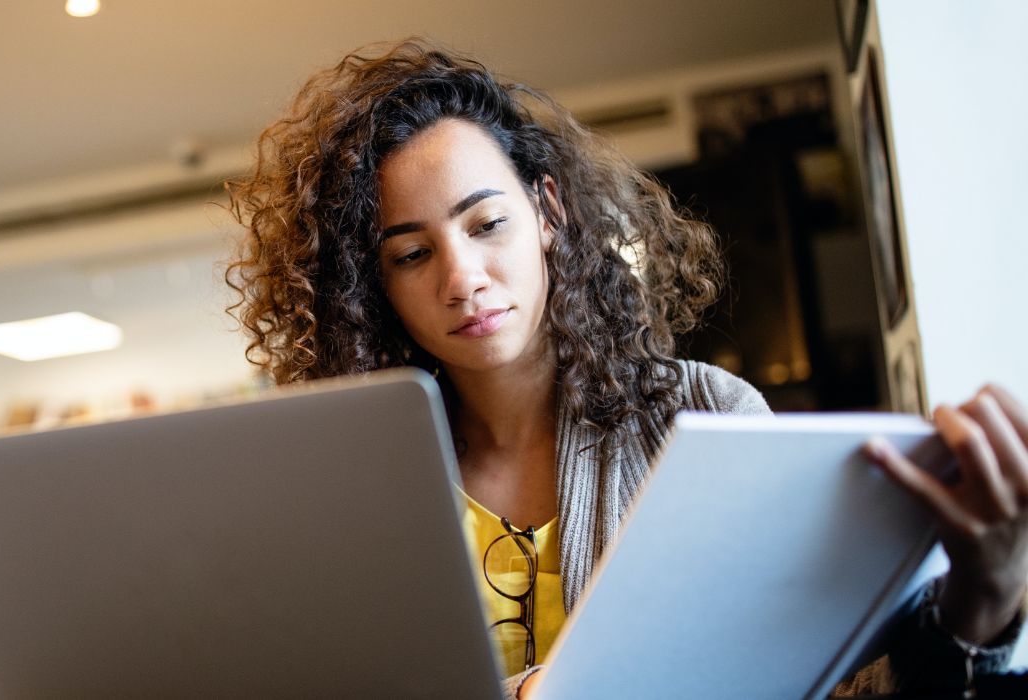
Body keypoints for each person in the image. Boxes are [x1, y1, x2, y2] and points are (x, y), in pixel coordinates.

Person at [224, 39, 1027, 698]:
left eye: (487, 223)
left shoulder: (703, 420)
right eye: (411, 253)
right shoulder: (356, 486)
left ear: (547, 212)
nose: (461, 278)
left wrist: (982, 599)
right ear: (373, 286)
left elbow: (836, 682)